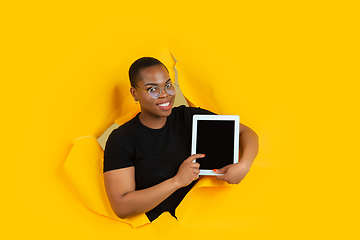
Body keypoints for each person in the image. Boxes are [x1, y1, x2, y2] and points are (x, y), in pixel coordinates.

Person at [103, 57, 259, 222]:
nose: (164, 95)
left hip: (205, 220)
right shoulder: (121, 140)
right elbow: (121, 206)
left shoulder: (190, 118)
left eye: (168, 86)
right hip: (156, 230)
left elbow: (245, 132)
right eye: (153, 89)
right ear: (134, 93)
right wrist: (177, 181)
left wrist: (244, 165)